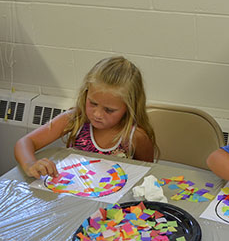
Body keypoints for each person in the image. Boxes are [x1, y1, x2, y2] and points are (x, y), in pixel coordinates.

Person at [14, 56, 158, 179]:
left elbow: (147, 174)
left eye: (109, 110)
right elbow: (25, 142)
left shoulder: (135, 136)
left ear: (129, 107)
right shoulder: (75, 118)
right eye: (93, 103)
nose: (97, 114)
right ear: (86, 94)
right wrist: (30, 164)